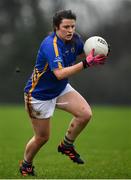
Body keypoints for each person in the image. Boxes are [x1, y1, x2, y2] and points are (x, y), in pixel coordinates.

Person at [19, 9, 107, 176]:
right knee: (42, 138)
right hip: (38, 96)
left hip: (60, 90)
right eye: (66, 27)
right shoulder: (50, 45)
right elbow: (59, 74)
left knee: (85, 114)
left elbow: (85, 53)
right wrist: (86, 64)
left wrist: (99, 51)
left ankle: (66, 145)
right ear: (56, 27)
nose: (70, 30)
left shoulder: (75, 39)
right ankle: (26, 165)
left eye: (72, 26)